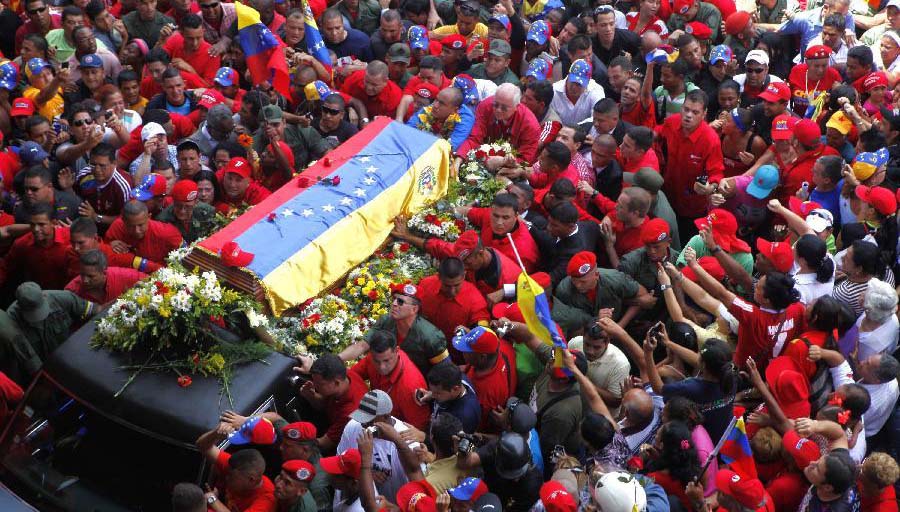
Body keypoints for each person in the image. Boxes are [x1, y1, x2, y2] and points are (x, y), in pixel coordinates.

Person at [349, 331, 430, 429]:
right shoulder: (375, 357)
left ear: (396, 351)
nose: (382, 367)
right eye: (377, 361)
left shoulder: (409, 386)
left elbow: (418, 429)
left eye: (387, 360)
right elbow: (350, 377)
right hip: (373, 414)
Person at [6, 281, 99, 365]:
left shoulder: (63, 299)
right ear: (19, 306)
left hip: (71, 357)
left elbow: (96, 310)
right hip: (41, 368)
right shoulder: (10, 322)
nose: (39, 320)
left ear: (43, 296)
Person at [104, 201, 183, 266]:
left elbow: (185, 255)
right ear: (123, 221)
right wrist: (110, 245)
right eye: (131, 226)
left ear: (149, 217)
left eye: (140, 225)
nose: (136, 231)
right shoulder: (117, 227)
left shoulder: (167, 233)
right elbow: (104, 252)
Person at [64, 249, 147, 305]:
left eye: (90, 276)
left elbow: (154, 282)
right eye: (82, 275)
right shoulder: (72, 291)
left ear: (104, 272)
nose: (85, 280)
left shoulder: (125, 276)